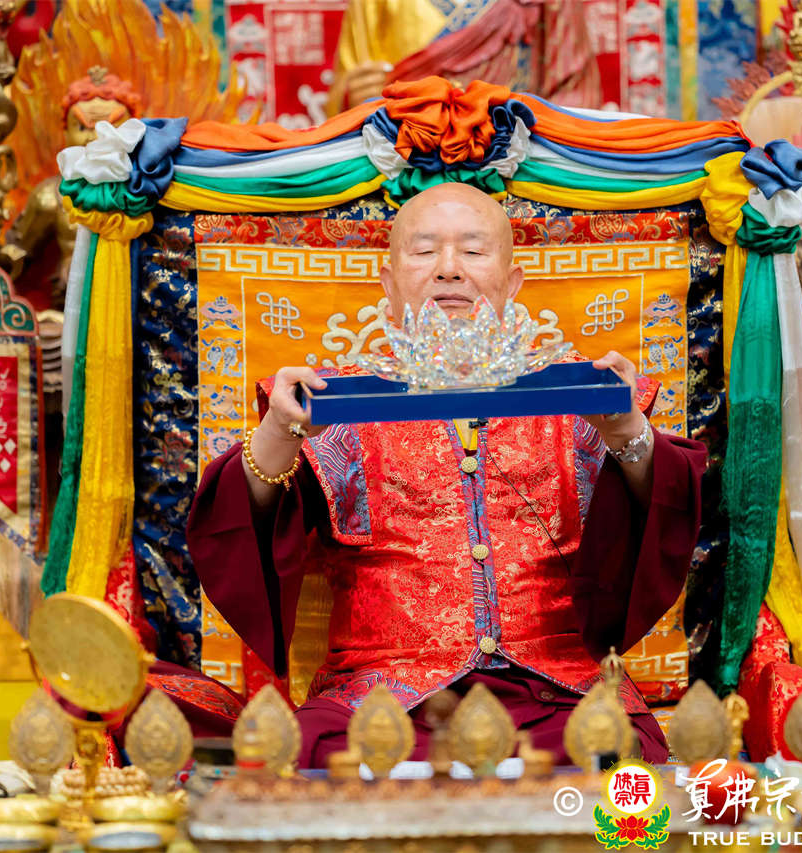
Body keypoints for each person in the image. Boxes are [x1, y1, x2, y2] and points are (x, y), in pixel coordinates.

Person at [188, 182, 707, 767]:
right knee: (310, 756)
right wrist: (280, 431)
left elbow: (661, 512)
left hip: (555, 690)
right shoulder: (336, 401)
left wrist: (625, 429)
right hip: (382, 694)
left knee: (618, 754)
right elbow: (244, 527)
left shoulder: (576, 393)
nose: (449, 269)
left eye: (474, 251)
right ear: (388, 285)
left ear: (512, 283)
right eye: (425, 250)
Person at [326, 0, 600, 115]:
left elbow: (573, 90)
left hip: (516, 160)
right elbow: (347, 95)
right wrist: (358, 97)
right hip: (408, 161)